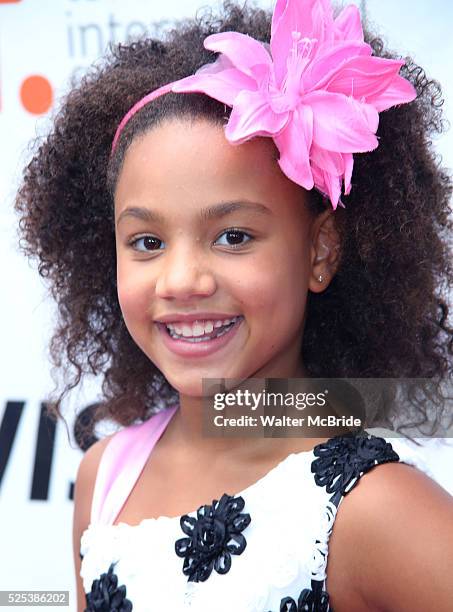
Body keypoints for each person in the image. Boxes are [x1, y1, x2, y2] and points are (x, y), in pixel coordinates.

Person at [14, 0, 453, 610]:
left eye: (233, 237)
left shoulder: (374, 511)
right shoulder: (105, 481)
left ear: (320, 251)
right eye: (147, 242)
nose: (182, 279)